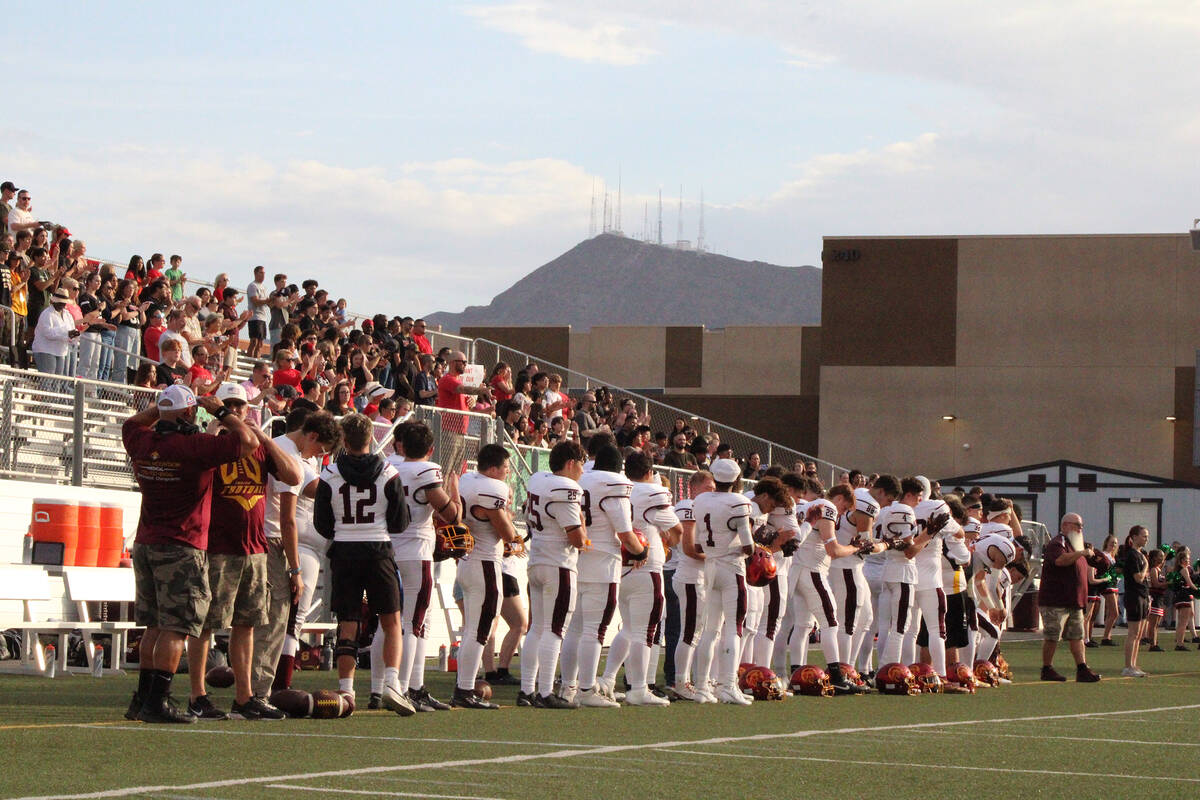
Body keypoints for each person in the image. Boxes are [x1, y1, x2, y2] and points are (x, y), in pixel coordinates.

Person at [121, 385, 257, 723]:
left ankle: (144, 699)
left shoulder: (141, 441)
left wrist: (162, 408)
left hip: (146, 542)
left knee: (154, 626)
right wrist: (221, 411)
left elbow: (132, 422)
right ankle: (157, 702)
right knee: (176, 627)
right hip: (182, 545)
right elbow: (250, 442)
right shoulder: (194, 446)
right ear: (188, 414)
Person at [185, 383, 301, 720]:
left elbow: (293, 474)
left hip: (254, 547)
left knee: (247, 623)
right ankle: (197, 695)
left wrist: (263, 438)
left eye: (240, 406)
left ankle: (245, 697)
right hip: (216, 547)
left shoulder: (259, 446)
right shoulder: (211, 442)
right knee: (206, 624)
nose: (235, 412)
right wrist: (218, 424)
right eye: (229, 405)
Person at [313, 413, 415, 716]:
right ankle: (391, 683)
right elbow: (400, 522)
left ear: (344, 440)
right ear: (370, 438)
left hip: (344, 551)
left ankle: (346, 690)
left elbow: (322, 523)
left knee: (348, 621)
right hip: (379, 549)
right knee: (391, 618)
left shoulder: (329, 473)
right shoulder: (387, 471)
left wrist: (345, 531)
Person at [379, 421, 461, 711]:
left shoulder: (386, 466)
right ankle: (403, 689)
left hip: (387, 548)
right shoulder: (426, 469)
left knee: (388, 622)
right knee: (413, 623)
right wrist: (455, 492)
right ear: (429, 448)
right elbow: (449, 513)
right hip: (415, 550)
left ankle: (387, 688)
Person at [596, 451, 682, 707]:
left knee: (630, 628)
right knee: (646, 630)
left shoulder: (619, 488)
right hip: (647, 565)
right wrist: (667, 542)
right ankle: (639, 687)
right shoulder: (652, 492)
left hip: (621, 564)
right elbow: (676, 531)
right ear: (649, 472)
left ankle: (609, 679)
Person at [267, 410, 343, 692]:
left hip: (297, 540)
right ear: (310, 434)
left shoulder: (301, 454)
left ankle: (270, 683)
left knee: (285, 618)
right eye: (321, 448)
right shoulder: (290, 453)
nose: (320, 455)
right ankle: (277, 685)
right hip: (289, 540)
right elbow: (315, 490)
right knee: (289, 617)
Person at [560, 444, 640, 708]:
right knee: (595, 631)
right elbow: (625, 532)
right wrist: (641, 553)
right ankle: (585, 689)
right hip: (603, 563)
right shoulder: (614, 485)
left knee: (574, 629)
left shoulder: (579, 480)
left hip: (576, 558)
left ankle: (568, 686)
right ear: (620, 468)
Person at [519, 440, 588, 709]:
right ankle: (546, 692)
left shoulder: (538, 480)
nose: (582, 471)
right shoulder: (568, 489)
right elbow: (577, 539)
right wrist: (582, 527)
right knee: (555, 630)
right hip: (558, 565)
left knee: (536, 628)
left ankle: (527, 690)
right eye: (580, 464)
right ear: (571, 463)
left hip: (536, 562)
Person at [453, 444, 519, 709]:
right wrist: (514, 537)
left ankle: (464, 686)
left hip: (468, 563)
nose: (507, 474)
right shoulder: (491, 488)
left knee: (473, 629)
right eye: (505, 469)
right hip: (484, 564)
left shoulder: (468, 479)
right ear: (492, 469)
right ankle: (465, 688)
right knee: (478, 631)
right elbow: (508, 535)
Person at [692, 458, 755, 705]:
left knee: (711, 628)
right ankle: (727, 684)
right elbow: (748, 546)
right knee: (734, 627)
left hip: (709, 566)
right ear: (737, 479)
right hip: (731, 568)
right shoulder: (738, 502)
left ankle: (701, 686)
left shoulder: (701, 500)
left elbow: (698, 543)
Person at [665, 469, 714, 701]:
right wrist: (719, 555)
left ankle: (692, 680)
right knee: (689, 632)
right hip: (689, 577)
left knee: (697, 632)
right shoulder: (688, 506)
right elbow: (688, 548)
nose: (711, 493)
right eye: (708, 488)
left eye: (714, 489)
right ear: (693, 488)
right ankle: (680, 682)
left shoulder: (706, 508)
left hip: (699, 578)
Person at [1038, 513, 1102, 682]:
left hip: (1074, 600)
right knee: (1053, 634)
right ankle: (1047, 668)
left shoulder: (1075, 545)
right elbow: (1060, 560)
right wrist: (1081, 552)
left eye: (1081, 526)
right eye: (1077, 525)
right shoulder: (1058, 543)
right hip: (1055, 599)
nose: (1080, 529)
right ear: (1065, 525)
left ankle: (1082, 668)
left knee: (1077, 635)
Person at [1119, 525, 1151, 677]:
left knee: (1139, 634)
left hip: (1143, 595)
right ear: (1134, 537)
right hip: (1134, 595)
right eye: (1144, 536)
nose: (1146, 538)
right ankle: (1128, 666)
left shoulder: (1140, 554)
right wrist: (1146, 566)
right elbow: (1138, 577)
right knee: (1133, 633)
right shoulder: (1132, 555)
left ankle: (1134, 664)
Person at [31, 288, 80, 375]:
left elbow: (71, 329)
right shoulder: (46, 314)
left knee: (57, 382)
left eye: (64, 302)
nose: (63, 304)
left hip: (61, 351)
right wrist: (67, 334)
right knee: (48, 381)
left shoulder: (67, 315)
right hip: (46, 350)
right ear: (55, 302)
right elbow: (48, 333)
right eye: (61, 302)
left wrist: (74, 335)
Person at [245, 266, 271, 359]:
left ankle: (256, 359)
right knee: (254, 341)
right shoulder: (253, 286)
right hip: (255, 317)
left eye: (264, 273)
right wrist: (267, 301)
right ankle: (249, 359)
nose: (263, 275)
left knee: (260, 342)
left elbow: (267, 302)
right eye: (261, 273)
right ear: (255, 274)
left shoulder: (264, 287)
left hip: (263, 317)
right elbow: (255, 301)